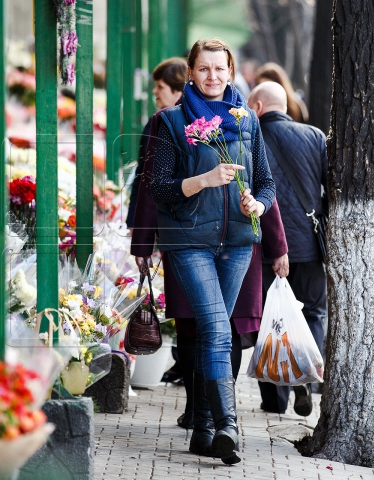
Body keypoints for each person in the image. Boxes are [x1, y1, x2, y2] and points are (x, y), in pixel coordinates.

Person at [149, 37, 276, 465]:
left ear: (231, 71)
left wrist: (257, 203)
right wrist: (204, 180)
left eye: (220, 69)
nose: (213, 77)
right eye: (204, 69)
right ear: (191, 73)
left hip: (238, 243)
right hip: (190, 242)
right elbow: (158, 189)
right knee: (219, 331)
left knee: (212, 334)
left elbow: (267, 182)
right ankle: (229, 428)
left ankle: (203, 430)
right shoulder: (170, 122)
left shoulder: (246, 120)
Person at [247, 81, 327, 416]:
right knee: (312, 312)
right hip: (308, 244)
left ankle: (275, 399)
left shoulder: (250, 140)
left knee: (270, 319)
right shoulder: (314, 136)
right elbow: (328, 185)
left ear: (259, 108)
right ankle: (307, 383)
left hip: (267, 245)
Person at [126, 58, 188, 229]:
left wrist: (136, 224)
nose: (154, 91)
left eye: (160, 87)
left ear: (178, 92)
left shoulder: (160, 123)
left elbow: (145, 178)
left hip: (163, 224)